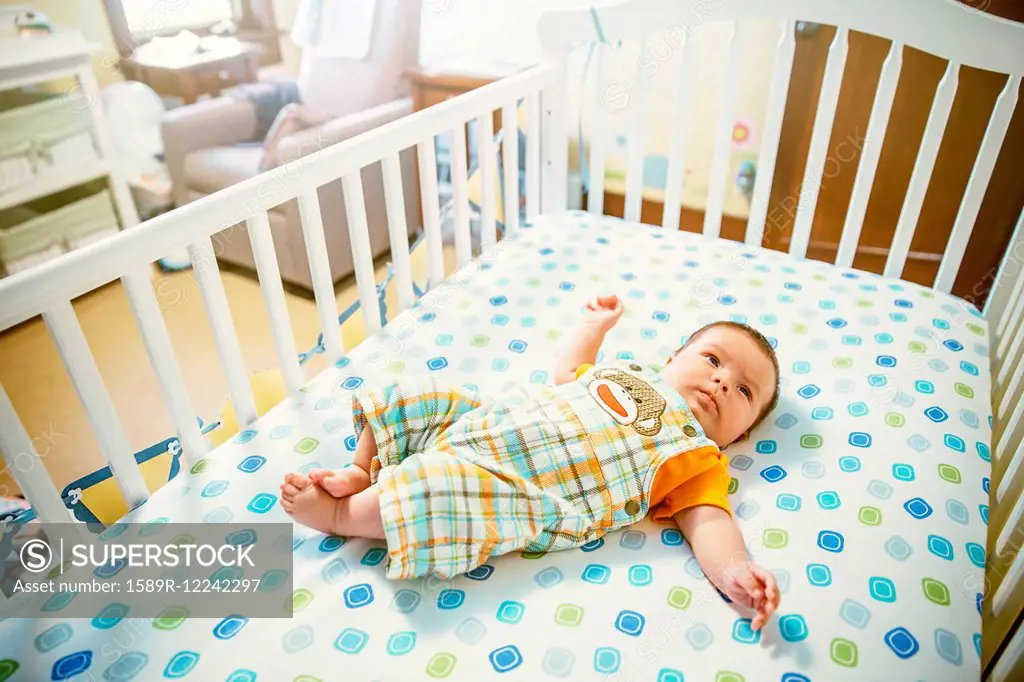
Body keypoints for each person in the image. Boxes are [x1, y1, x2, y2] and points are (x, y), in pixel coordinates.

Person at [280, 295, 782, 630]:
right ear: (673, 357)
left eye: (744, 390)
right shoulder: (627, 371)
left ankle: (340, 515)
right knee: (422, 398)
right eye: (713, 360)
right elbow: (567, 374)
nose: (721, 382)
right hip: (498, 420)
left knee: (438, 493)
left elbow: (712, 524)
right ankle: (360, 466)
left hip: (522, 487)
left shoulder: (697, 458)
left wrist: (738, 571)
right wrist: (593, 326)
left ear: (743, 433)